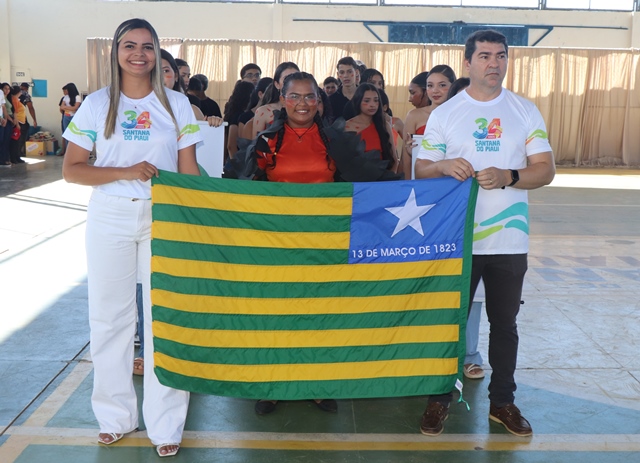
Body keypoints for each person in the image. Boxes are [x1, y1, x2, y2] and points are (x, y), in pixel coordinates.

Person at [61, 18, 204, 458]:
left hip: (165, 218)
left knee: (164, 320)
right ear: (116, 52)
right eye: (129, 45)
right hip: (110, 217)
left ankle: (166, 426)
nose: (138, 54)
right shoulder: (97, 104)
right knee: (110, 320)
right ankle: (115, 418)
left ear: (158, 52)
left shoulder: (177, 104)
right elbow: (72, 170)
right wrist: (127, 171)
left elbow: (189, 171)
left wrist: (202, 217)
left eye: (146, 46)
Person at [415, 29, 555, 438]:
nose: (494, 63)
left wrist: (509, 175)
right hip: (456, 238)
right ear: (468, 62)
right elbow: (421, 170)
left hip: (509, 239)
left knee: (504, 325)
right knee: (449, 324)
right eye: (485, 56)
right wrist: (443, 166)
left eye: (500, 56)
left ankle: (502, 403)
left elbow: (545, 169)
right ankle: (438, 399)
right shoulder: (446, 113)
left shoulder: (524, 110)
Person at [344, 83, 398, 173]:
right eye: (367, 101)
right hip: (355, 178)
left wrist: (390, 179)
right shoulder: (347, 127)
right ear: (358, 101)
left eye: (376, 100)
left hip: (383, 178)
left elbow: (394, 160)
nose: (372, 105)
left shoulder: (384, 125)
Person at [251, 61, 300, 138]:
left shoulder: (306, 108)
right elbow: (256, 142)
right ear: (277, 84)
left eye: (295, 78)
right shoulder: (263, 111)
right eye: (286, 78)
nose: (292, 83)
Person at [224, 80, 254, 158]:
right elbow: (231, 145)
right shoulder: (238, 115)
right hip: (234, 158)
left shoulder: (232, 112)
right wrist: (236, 162)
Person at [57, 83, 82, 156]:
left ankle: (76, 151)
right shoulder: (65, 97)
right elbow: (62, 107)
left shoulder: (77, 97)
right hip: (66, 116)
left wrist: (66, 107)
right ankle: (68, 151)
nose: (65, 92)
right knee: (67, 134)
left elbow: (75, 108)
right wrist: (69, 108)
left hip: (74, 117)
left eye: (66, 90)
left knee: (75, 133)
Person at [9, 86, 28, 162]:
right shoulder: (14, 100)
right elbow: (15, 113)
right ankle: (14, 157)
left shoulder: (17, 99)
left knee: (18, 141)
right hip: (18, 122)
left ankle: (17, 156)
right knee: (15, 141)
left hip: (21, 121)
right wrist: (17, 124)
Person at [0, 84, 9, 167]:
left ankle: (2, 160)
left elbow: (3, 106)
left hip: (1, 121)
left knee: (2, 140)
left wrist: (5, 118)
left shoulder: (0, 93)